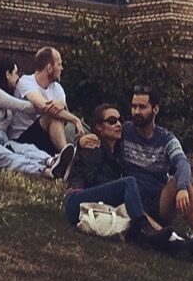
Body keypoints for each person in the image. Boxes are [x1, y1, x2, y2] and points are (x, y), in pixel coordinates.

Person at [121, 85, 193, 258]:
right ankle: (173, 240)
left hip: (159, 201)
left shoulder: (166, 138)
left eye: (142, 107)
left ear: (155, 109)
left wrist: (182, 187)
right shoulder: (124, 131)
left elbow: (182, 162)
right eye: (133, 106)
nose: (136, 111)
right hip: (132, 199)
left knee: (181, 183)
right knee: (131, 198)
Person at [61, 104, 172, 244]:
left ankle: (174, 243)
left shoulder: (119, 154)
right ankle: (144, 229)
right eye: (112, 121)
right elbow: (90, 179)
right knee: (128, 183)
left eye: (120, 120)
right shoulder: (93, 147)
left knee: (131, 195)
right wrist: (118, 189)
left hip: (96, 202)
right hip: (75, 201)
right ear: (99, 127)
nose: (118, 124)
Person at [17, 45, 79, 159]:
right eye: (59, 64)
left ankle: (66, 157)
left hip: (46, 138)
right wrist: (75, 120)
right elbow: (43, 106)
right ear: (50, 68)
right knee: (51, 115)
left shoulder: (58, 89)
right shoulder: (25, 81)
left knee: (57, 116)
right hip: (23, 139)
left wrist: (63, 106)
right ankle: (68, 158)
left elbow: (64, 118)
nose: (62, 68)